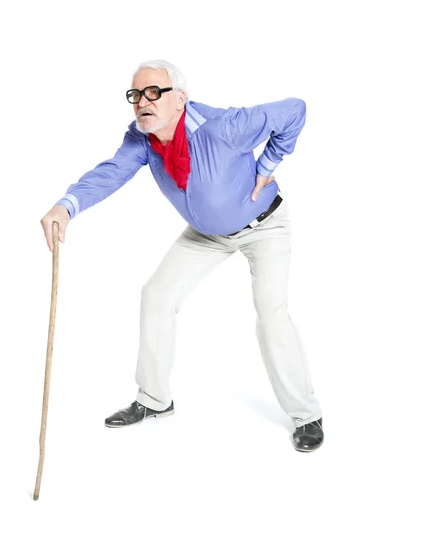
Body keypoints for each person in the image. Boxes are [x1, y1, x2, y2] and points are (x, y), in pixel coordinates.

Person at [40, 59, 324, 452]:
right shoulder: (142, 138)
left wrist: (267, 165)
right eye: (136, 95)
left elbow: (295, 109)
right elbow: (111, 172)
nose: (143, 101)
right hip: (206, 235)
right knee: (157, 294)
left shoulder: (223, 127)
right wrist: (65, 206)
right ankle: (155, 400)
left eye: (154, 92)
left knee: (271, 314)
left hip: (264, 227)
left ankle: (306, 415)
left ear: (181, 99)